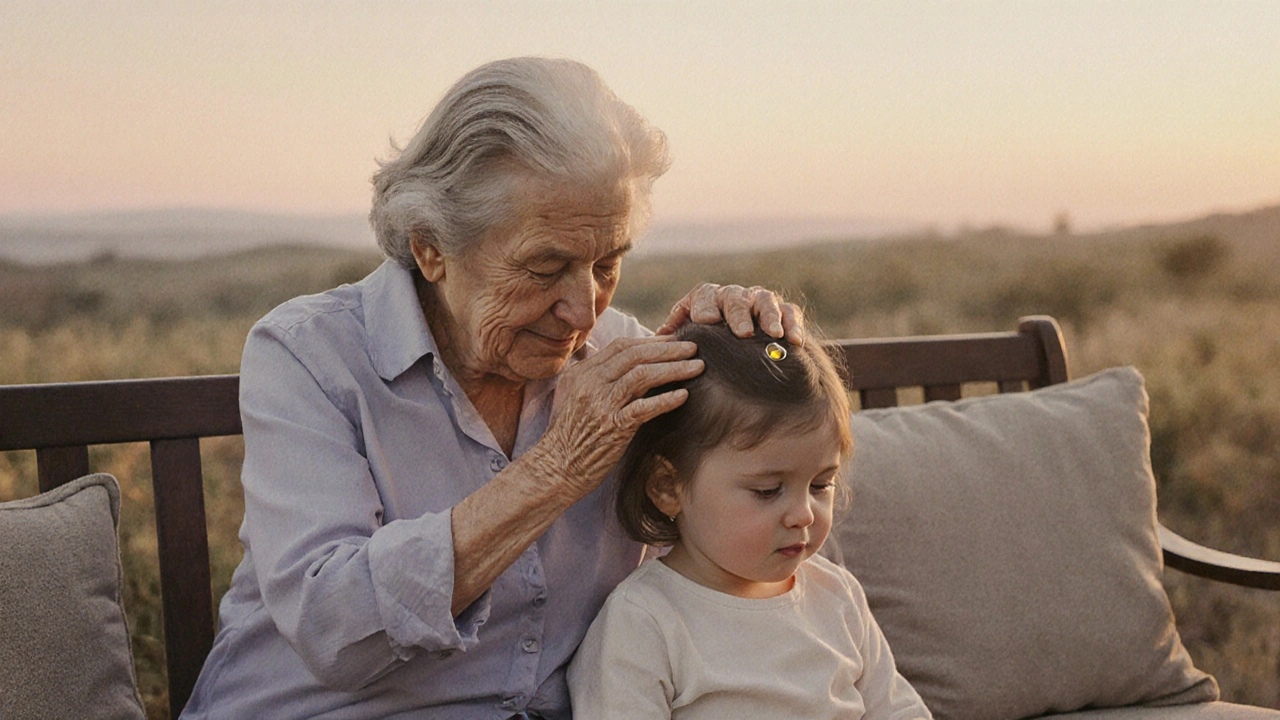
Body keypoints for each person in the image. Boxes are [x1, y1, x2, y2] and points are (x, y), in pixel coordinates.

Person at [180, 57, 805, 719]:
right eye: (546, 267)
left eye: (608, 262)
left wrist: (746, 353)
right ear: (431, 249)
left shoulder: (617, 356)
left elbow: (752, 525)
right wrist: (557, 469)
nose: (584, 308)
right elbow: (334, 625)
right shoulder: (310, 354)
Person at [566, 321, 932, 720]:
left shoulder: (835, 594)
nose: (804, 514)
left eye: (820, 484)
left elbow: (898, 710)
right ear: (667, 487)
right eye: (767, 491)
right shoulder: (643, 622)